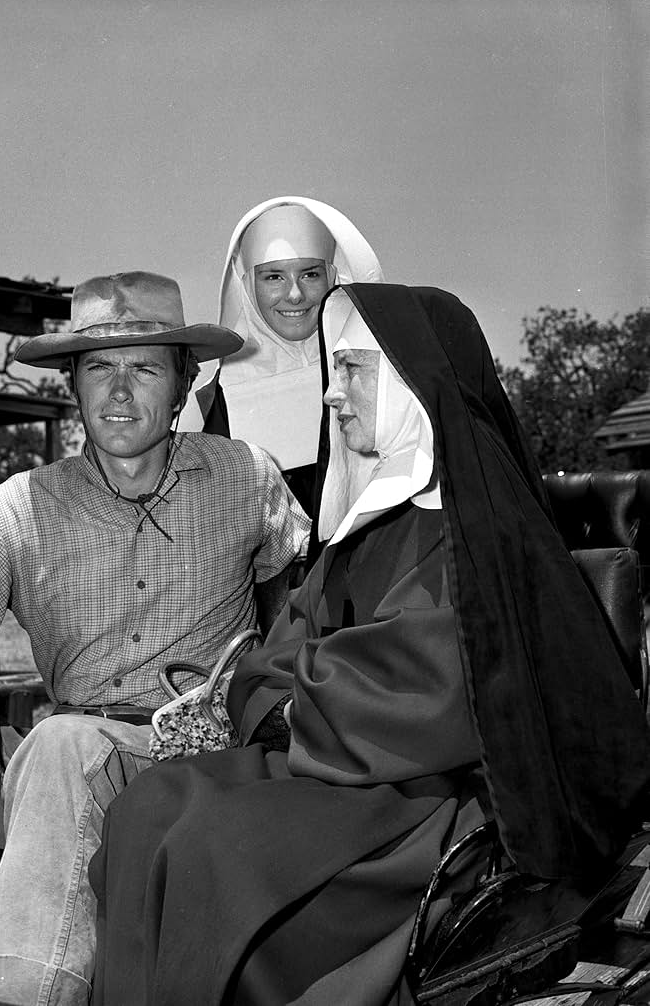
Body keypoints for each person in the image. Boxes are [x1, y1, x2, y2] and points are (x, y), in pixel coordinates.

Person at [90, 282, 650, 1005]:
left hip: (425, 798)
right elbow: (272, 655)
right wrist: (289, 692)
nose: (332, 392)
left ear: (415, 386)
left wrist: (295, 695)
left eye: (353, 369)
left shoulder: (481, 531)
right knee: (144, 808)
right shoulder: (367, 524)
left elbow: (439, 688)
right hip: (334, 764)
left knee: (213, 850)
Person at [0, 271, 310, 1005]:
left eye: (144, 367)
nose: (119, 392)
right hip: (48, 777)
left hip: (192, 770)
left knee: (62, 743)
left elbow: (308, 597)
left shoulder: (246, 480)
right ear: (72, 385)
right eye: (98, 369)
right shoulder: (23, 506)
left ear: (182, 384)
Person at [180, 196, 383, 513]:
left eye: (310, 274)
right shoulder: (211, 404)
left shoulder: (376, 378)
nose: (295, 294)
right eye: (274, 276)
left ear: (333, 277)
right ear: (247, 286)